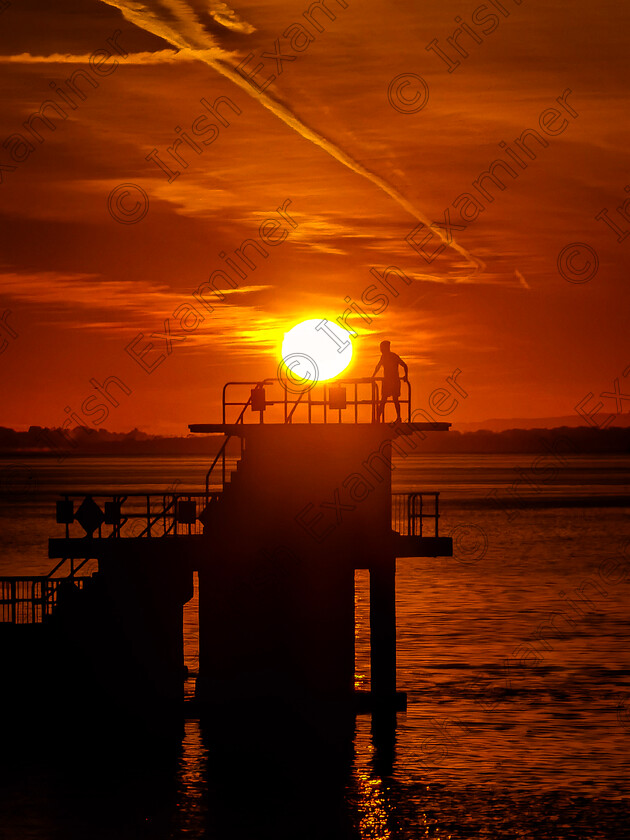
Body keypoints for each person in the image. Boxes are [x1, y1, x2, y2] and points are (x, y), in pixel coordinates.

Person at [372, 340, 408, 422]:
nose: (381, 350)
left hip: (393, 381)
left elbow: (405, 365)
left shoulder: (393, 356)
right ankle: (378, 419)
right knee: (385, 400)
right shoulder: (384, 357)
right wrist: (373, 376)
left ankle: (397, 418)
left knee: (392, 400)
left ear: (386, 348)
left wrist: (406, 376)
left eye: (382, 348)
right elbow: (378, 367)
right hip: (388, 382)